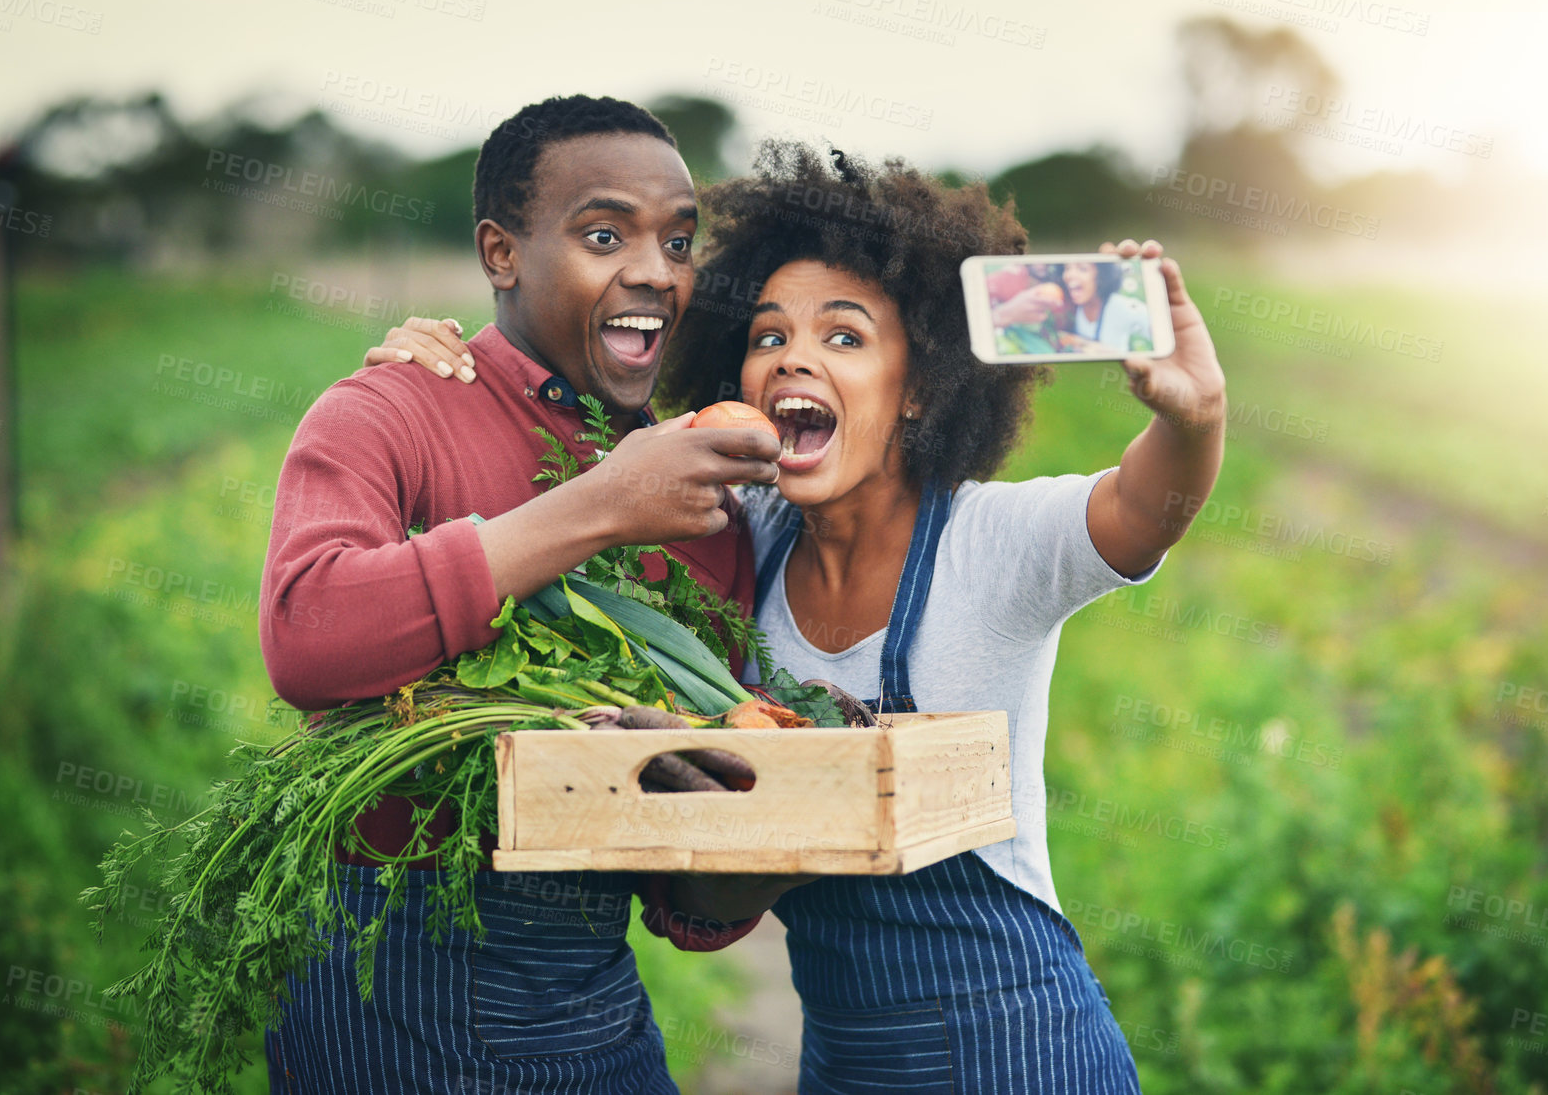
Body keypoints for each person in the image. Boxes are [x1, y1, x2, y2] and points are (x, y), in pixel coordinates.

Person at [371, 141, 1227, 1093]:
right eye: (769, 336)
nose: (794, 359)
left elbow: (1143, 513)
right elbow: (591, 466)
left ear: (921, 389)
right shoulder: (746, 536)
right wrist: (452, 365)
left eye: (845, 337)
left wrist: (1192, 419)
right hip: (842, 1062)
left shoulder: (991, 541)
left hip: (1019, 1046)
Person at [260, 95, 799, 1094]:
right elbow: (307, 638)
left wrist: (770, 840)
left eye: (679, 240)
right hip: (385, 980)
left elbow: (688, 903)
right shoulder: (390, 410)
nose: (654, 270)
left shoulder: (693, 492)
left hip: (587, 991)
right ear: (501, 253)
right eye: (606, 234)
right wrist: (598, 506)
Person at [1062, 259, 1153, 352]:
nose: (1069, 275)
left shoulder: (1121, 306)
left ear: (1101, 275)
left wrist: (1082, 343)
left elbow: (1161, 332)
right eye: (1067, 268)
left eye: (1083, 269)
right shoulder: (1070, 306)